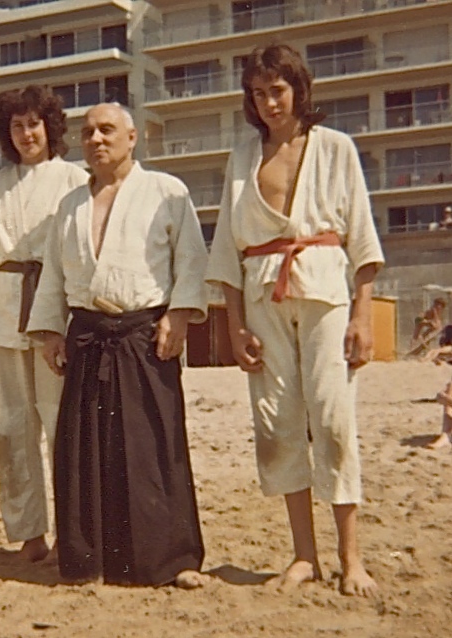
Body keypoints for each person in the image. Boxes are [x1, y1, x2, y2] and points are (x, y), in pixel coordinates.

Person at [205, 43, 384, 597]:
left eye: (278, 90)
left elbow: (362, 238)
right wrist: (234, 326)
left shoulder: (335, 147)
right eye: (259, 93)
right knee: (277, 424)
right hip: (263, 294)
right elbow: (228, 249)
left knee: (332, 418)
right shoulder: (242, 156)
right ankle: (305, 555)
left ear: (298, 90)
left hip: (324, 287)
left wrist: (363, 315)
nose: (269, 103)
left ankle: (351, 557)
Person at [27, 103, 209, 587]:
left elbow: (192, 259)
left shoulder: (167, 191)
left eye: (107, 130)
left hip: (144, 334)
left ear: (133, 137)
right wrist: (50, 330)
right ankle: (91, 560)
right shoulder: (70, 205)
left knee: (153, 447)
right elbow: (54, 273)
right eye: (87, 132)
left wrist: (179, 314)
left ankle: (170, 560)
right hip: (87, 333)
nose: (96, 139)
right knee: (85, 450)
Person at [0, 85, 88, 562]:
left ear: (50, 127)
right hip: (3, 305)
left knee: (60, 420)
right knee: (12, 426)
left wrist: (63, 318)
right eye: (17, 125)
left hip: (53, 306)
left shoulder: (74, 179)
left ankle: (72, 530)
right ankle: (29, 533)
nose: (26, 134)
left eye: (34, 124)